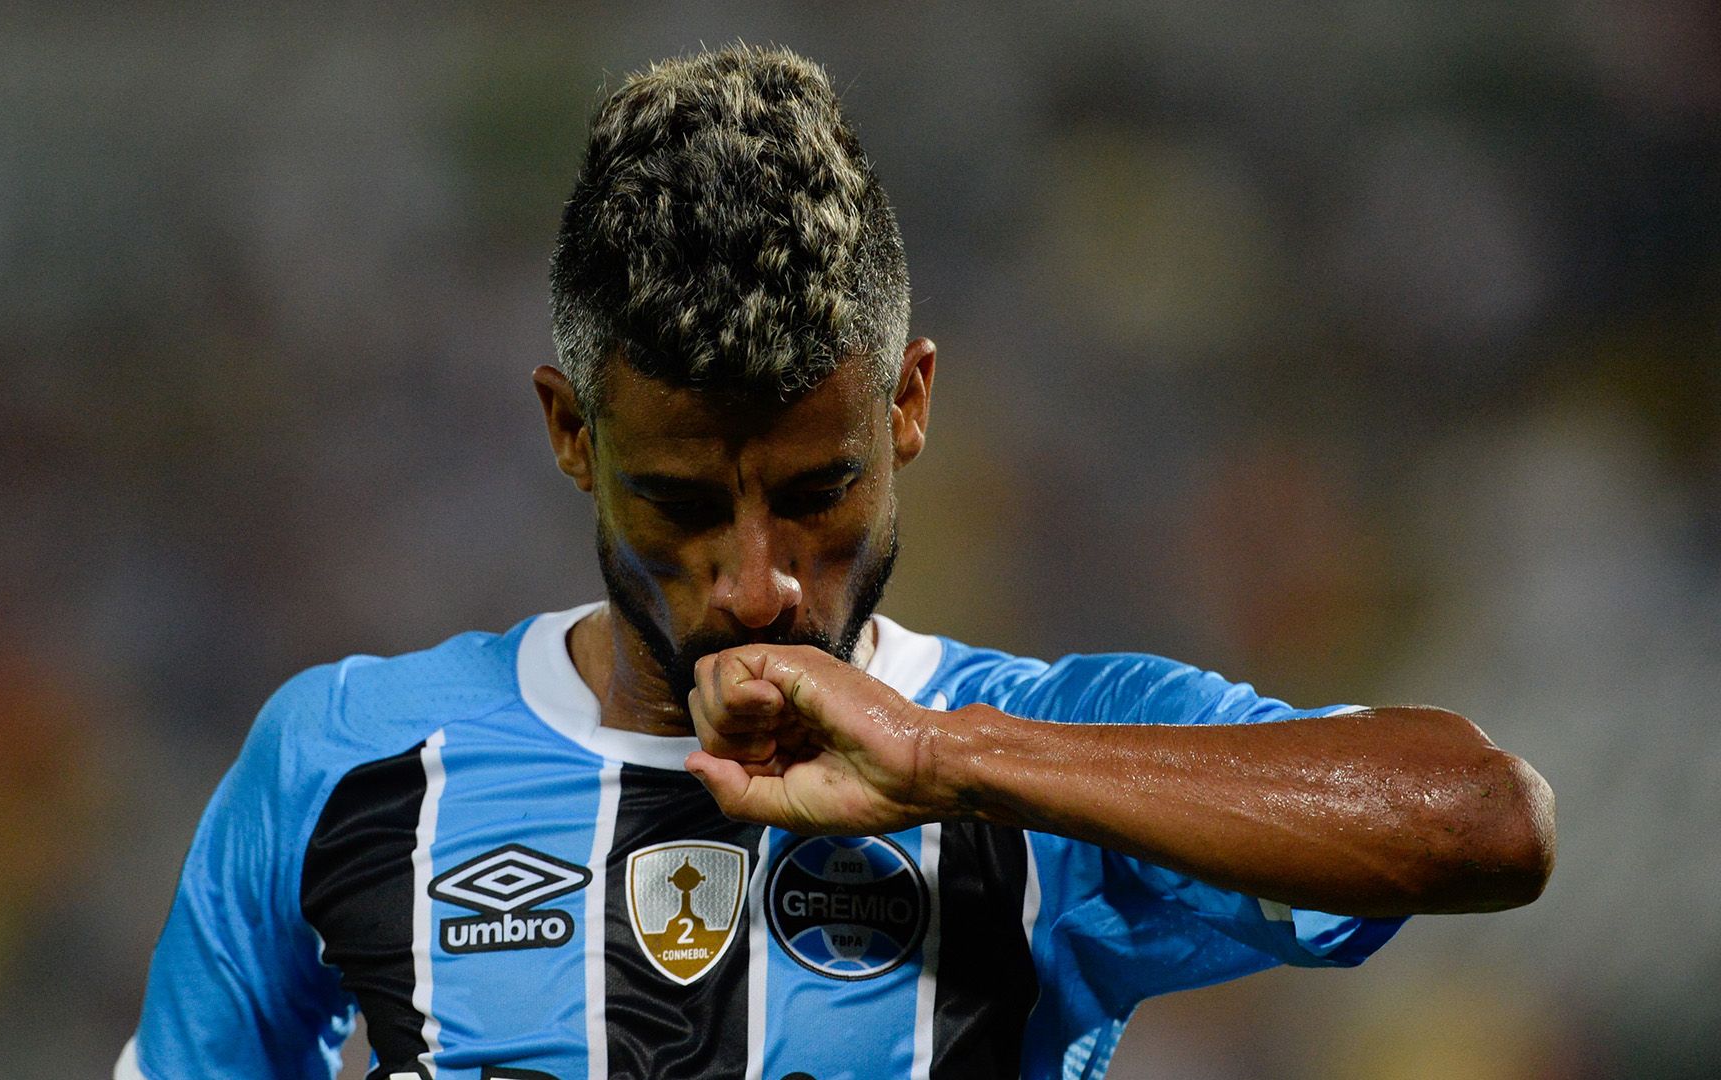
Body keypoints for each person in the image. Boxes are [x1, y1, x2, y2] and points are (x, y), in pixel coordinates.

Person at [116, 44, 1555, 1080]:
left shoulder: (1027, 768)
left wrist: (947, 764)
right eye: (681, 502)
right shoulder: (347, 766)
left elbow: (1482, 823)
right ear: (570, 433)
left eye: (818, 491)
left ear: (911, 405)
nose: (758, 583)